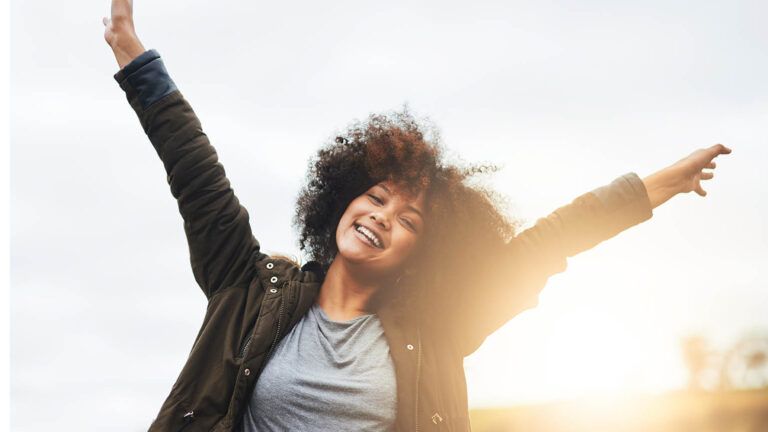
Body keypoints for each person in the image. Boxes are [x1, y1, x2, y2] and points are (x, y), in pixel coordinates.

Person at [102, 1, 733, 431]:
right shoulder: (251, 291)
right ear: (342, 201)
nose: (381, 217)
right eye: (376, 198)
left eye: (408, 221)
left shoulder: (437, 330)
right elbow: (197, 178)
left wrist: (652, 188)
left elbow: (544, 245)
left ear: (421, 251)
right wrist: (138, 62)